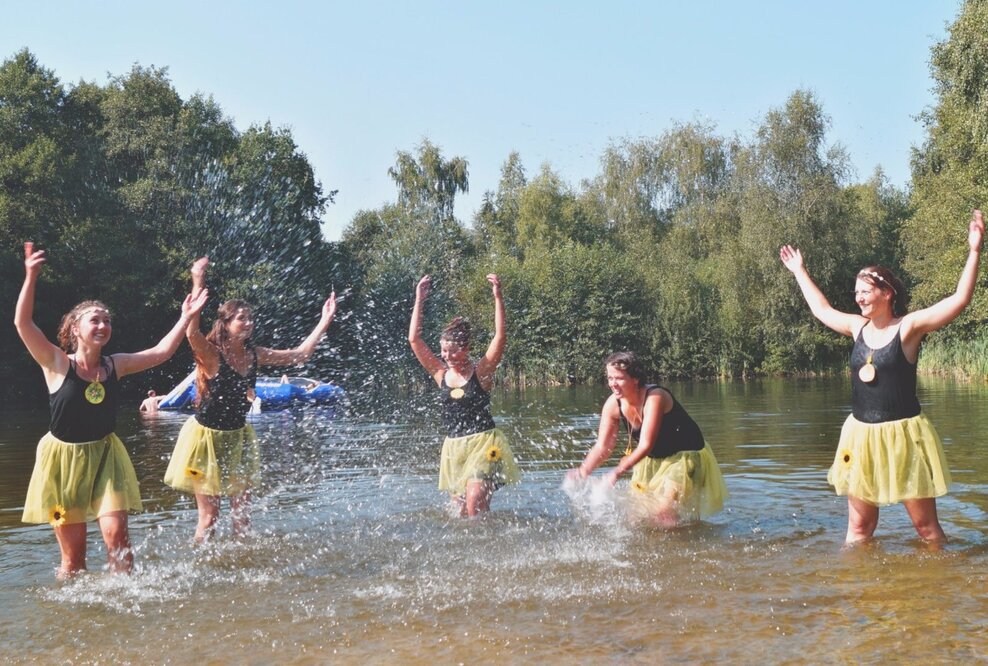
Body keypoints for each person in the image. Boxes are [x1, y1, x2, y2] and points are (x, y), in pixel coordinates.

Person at [779, 209, 984, 545]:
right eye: (856, 292)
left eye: (865, 291)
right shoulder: (856, 327)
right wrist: (799, 271)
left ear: (887, 293)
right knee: (859, 531)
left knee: (926, 530)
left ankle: (940, 587)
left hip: (904, 435)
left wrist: (974, 250)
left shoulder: (909, 328)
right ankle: (857, 591)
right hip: (860, 436)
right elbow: (822, 310)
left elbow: (959, 300)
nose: (858, 297)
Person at [15, 242, 208, 578]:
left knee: (119, 539)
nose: (103, 325)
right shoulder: (57, 363)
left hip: (106, 457)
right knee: (73, 562)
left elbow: (161, 352)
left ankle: (126, 609)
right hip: (61, 465)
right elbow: (23, 324)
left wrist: (186, 317)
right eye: (95, 320)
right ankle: (73, 618)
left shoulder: (114, 365)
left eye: (107, 320)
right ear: (76, 328)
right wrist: (31, 276)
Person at [163, 257, 336, 542]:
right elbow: (192, 333)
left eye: (251, 318)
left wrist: (324, 320)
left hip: (239, 439)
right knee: (210, 518)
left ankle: (244, 562)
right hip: (204, 442)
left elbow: (300, 355)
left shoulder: (255, 354)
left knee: (243, 515)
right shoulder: (212, 354)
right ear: (226, 323)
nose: (248, 322)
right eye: (241, 318)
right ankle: (198, 566)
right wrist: (197, 282)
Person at [568, 351, 727, 526]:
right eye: (610, 378)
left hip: (685, 458)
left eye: (619, 378)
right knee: (635, 516)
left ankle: (682, 549)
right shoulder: (613, 404)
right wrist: (584, 470)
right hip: (652, 460)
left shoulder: (655, 397)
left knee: (663, 513)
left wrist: (617, 472)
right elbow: (603, 446)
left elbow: (646, 444)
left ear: (635, 378)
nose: (613, 384)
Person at [408, 274, 521, 516]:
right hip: (454, 449)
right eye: (443, 351)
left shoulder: (481, 373)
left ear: (466, 349)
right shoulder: (440, 374)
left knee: (474, 506)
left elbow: (500, 337)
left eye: (452, 351)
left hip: (486, 445)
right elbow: (414, 339)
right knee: (460, 514)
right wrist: (419, 300)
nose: (446, 356)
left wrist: (498, 297)